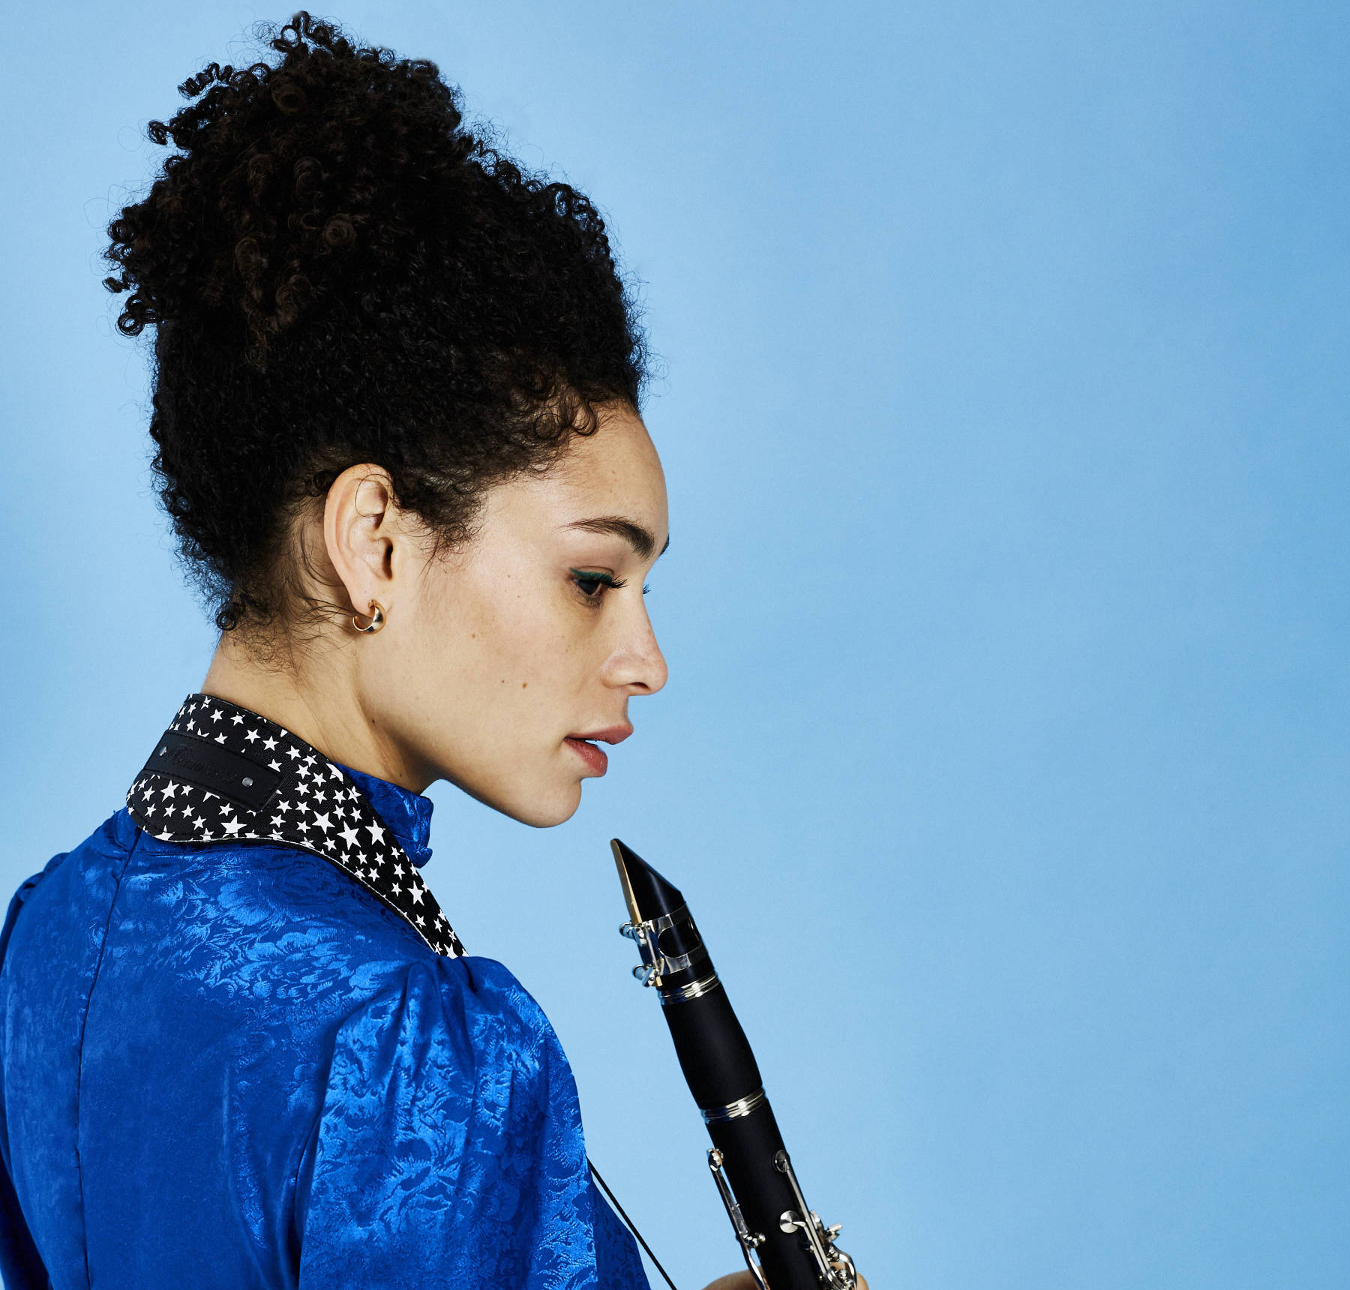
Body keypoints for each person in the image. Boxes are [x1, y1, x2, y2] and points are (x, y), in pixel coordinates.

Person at [0, 14, 791, 1289]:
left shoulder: (46, 939)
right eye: (595, 577)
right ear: (374, 539)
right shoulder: (415, 1052)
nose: (646, 659)